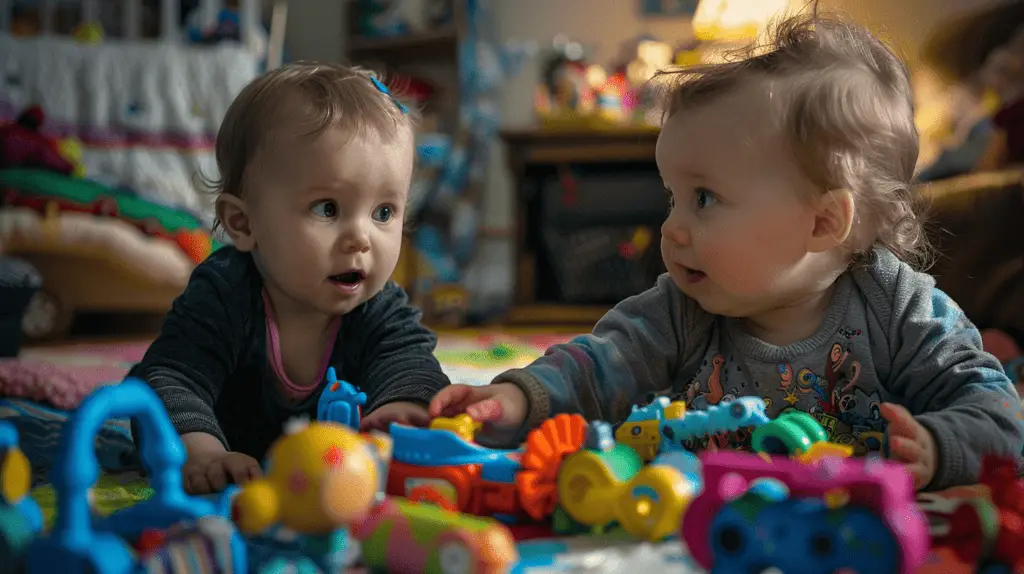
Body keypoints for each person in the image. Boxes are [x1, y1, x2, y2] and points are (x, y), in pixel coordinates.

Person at [430, 11, 1024, 491]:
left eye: (705, 199)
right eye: (674, 198)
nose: (671, 229)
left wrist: (940, 446)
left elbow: (999, 413)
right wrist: (515, 396)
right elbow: (597, 365)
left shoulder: (901, 311)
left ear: (823, 222)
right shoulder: (681, 310)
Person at [129, 63, 449, 494]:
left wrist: (401, 410)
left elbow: (411, 366)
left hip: (326, 480)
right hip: (232, 455)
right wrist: (203, 453)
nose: (361, 238)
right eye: (327, 209)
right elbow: (171, 379)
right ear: (244, 224)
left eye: (384, 212)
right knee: (146, 401)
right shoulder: (224, 294)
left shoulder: (378, 306)